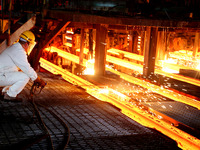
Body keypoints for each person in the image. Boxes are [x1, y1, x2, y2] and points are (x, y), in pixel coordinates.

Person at [0, 30, 45, 101]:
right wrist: (37, 79)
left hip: (2, 74)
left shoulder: (15, 47)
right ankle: (9, 95)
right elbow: (27, 68)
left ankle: (5, 92)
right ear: (27, 44)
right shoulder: (19, 51)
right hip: (1, 76)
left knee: (20, 73)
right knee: (25, 76)